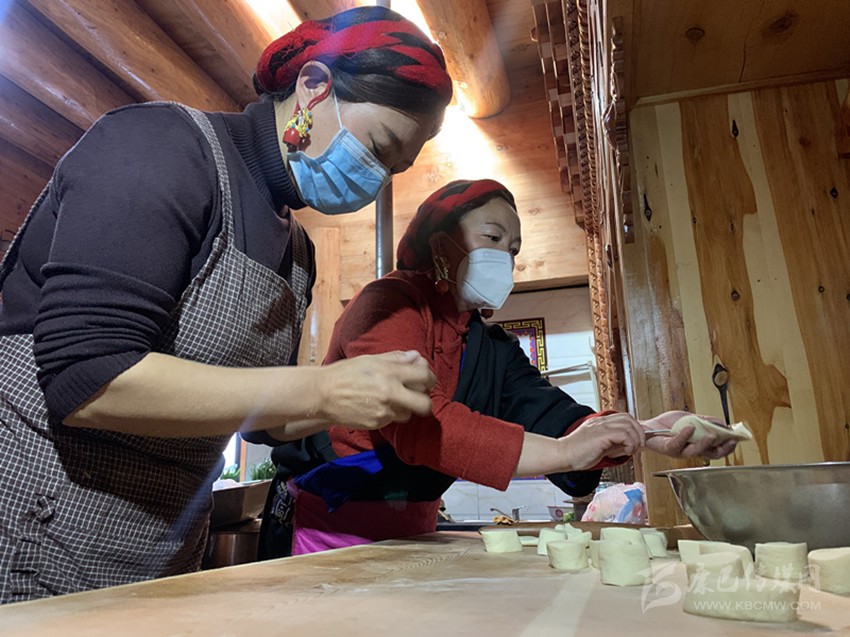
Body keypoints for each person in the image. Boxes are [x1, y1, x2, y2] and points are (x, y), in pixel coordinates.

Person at [0, 6, 452, 602]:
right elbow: (88, 377)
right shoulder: (160, 147)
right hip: (36, 524)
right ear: (314, 86)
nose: (377, 179)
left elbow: (261, 417)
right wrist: (322, 390)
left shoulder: (298, 251)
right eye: (379, 148)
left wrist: (368, 397)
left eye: (395, 168)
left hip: (161, 548)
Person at [257, 179, 738, 558]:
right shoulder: (388, 304)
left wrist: (648, 432)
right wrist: (565, 452)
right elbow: (419, 425)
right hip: (326, 526)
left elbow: (553, 416)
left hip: (413, 531)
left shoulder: (489, 346)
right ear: (440, 244)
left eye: (513, 249)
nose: (505, 257)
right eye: (492, 237)